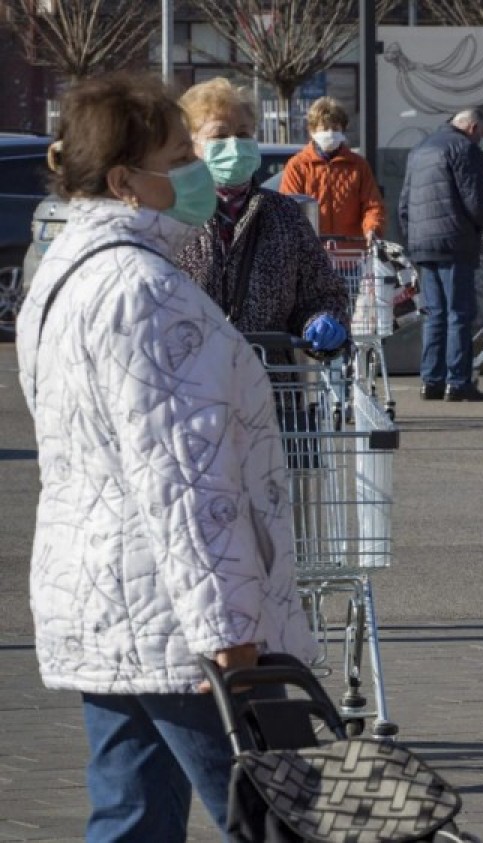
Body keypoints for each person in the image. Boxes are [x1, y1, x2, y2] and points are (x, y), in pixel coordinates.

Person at [16, 72, 317, 842]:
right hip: (180, 619)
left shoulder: (63, 272)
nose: (196, 168)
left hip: (105, 600)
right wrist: (231, 636)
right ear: (125, 180)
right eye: (179, 153)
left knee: (132, 816)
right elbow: (187, 483)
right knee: (280, 819)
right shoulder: (142, 289)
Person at [174, 78, 349, 358]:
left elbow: (322, 294)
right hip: (189, 387)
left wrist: (320, 320)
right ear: (189, 144)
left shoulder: (285, 215)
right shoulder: (171, 217)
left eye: (243, 134)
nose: (234, 145)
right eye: (220, 136)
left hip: (269, 388)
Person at [399, 109, 483, 402]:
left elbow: (404, 204)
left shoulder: (420, 150)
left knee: (435, 315)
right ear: (474, 127)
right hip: (454, 243)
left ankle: (431, 382)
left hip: (423, 245)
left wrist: (413, 240)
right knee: (459, 314)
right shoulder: (465, 148)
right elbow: (476, 204)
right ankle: (458, 383)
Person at [279, 95, 386, 247]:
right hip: (311, 255)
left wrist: (372, 229)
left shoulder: (358, 166)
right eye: (325, 128)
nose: (330, 133)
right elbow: (288, 209)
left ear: (343, 130)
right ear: (312, 131)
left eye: (335, 128)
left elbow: (373, 205)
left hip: (350, 255)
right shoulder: (298, 166)